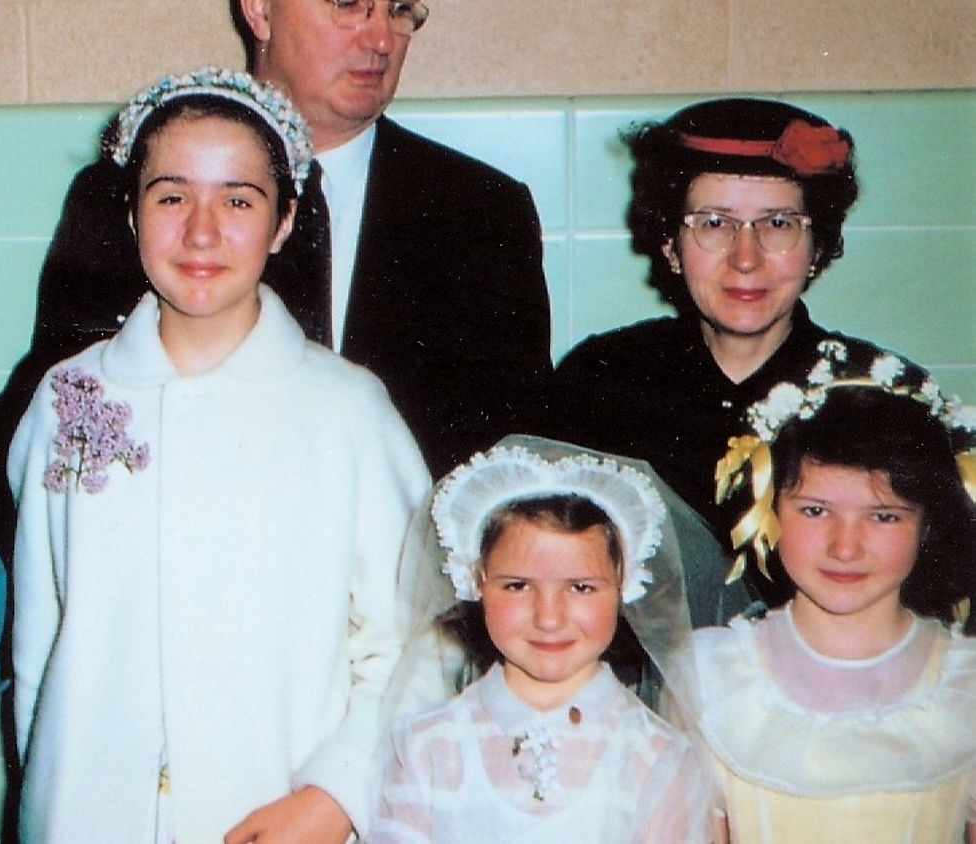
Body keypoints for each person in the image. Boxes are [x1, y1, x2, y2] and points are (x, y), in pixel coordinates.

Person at [0, 0, 551, 567]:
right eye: (350, 1)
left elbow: (510, 468)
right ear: (259, 4)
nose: (381, 39)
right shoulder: (129, 197)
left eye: (401, 7)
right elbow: (50, 436)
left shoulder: (479, 212)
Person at [8, 68, 430, 843]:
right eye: (171, 197)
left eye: (238, 201)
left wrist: (336, 795)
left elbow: (417, 640)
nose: (201, 233)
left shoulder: (346, 411)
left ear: (283, 221)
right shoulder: (67, 400)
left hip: (278, 807)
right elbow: (39, 636)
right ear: (131, 213)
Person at [546, 96, 924, 610]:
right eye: (714, 223)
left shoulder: (883, 393)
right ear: (670, 245)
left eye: (778, 224)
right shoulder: (600, 379)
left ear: (817, 248)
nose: (746, 259)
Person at [691, 345, 976, 842]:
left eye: (883, 516)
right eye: (815, 511)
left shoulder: (966, 682)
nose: (845, 548)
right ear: (769, 509)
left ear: (926, 525)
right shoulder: (709, 673)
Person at [370, 436, 712, 843]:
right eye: (517, 586)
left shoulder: (657, 756)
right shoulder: (425, 748)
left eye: (581, 588)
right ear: (476, 581)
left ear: (624, 583)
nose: (549, 618)